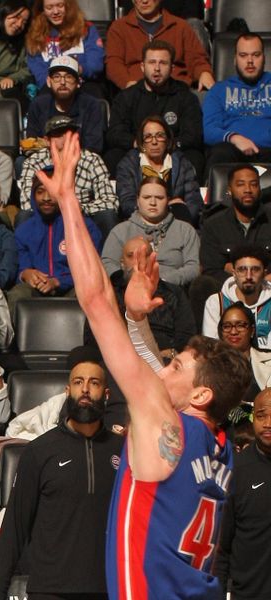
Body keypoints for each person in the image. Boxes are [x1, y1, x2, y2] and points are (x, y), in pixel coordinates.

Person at [38, 129, 251, 598]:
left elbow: (94, 300)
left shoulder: (163, 420)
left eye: (178, 369)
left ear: (200, 395)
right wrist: (136, 318)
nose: (164, 369)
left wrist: (69, 198)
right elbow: (151, 368)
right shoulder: (220, 443)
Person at [0, 357, 123, 599]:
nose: (85, 389)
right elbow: (14, 529)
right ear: (67, 391)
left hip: (109, 588)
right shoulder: (40, 451)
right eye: (78, 382)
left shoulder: (123, 451)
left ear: (105, 394)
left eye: (93, 383)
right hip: (49, 589)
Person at [84, 237, 196, 363]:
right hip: (117, 358)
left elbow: (187, 336)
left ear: (153, 259)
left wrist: (172, 352)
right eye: (131, 256)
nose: (138, 261)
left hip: (164, 357)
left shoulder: (173, 293)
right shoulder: (109, 294)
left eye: (145, 255)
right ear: (122, 263)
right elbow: (92, 337)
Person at [105, 39, 204, 178]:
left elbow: (193, 135)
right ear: (142, 66)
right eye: (152, 62)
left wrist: (167, 145)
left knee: (195, 157)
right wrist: (138, 143)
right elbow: (114, 133)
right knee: (113, 156)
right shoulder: (126, 97)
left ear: (172, 68)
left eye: (163, 63)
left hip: (172, 150)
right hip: (137, 150)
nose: (157, 68)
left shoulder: (185, 97)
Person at [190, 165, 271, 330]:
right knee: (202, 284)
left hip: (268, 287)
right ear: (229, 190)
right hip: (228, 289)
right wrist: (242, 279)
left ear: (260, 189)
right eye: (241, 184)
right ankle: (205, 346)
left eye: (253, 184)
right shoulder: (214, 224)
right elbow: (211, 269)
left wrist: (236, 269)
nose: (248, 189)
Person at [10, 172, 101, 307]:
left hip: (73, 287)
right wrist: (25, 274)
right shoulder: (24, 230)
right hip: (38, 289)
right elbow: (21, 268)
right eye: (40, 192)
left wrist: (58, 281)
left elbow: (91, 271)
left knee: (90, 292)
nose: (46, 198)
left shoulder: (84, 227)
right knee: (18, 294)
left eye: (52, 192)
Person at [215, 388, 271, 600]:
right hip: (247, 594)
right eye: (261, 415)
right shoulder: (236, 471)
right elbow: (221, 548)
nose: (267, 423)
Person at [20, 116, 117, 237]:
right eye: (59, 135)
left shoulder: (91, 160)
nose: (65, 139)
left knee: (107, 215)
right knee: (24, 216)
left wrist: (77, 208)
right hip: (46, 215)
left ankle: (105, 256)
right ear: (47, 140)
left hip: (80, 216)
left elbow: (109, 201)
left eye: (70, 134)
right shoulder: (34, 162)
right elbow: (26, 203)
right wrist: (58, 209)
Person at [102, 176, 200, 287]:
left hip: (174, 291)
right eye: (147, 197)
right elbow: (108, 264)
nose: (153, 202)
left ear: (168, 200)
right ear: (138, 200)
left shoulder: (185, 230)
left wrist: (163, 280)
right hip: (130, 290)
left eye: (159, 198)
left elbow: (194, 267)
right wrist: (131, 280)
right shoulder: (120, 231)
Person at [104, 0, 214, 90]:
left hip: (177, 93)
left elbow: (197, 59)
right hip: (137, 93)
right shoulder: (119, 28)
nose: (144, 1)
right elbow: (114, 63)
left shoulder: (181, 27)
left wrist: (203, 73)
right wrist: (127, 83)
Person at [114, 116, 203, 224]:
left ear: (168, 140)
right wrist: (167, 207)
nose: (154, 142)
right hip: (140, 225)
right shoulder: (128, 165)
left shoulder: (182, 164)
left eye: (160, 136)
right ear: (142, 143)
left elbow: (194, 202)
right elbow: (127, 204)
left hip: (177, 224)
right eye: (148, 137)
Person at [203, 34, 271, 172]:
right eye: (243, 55)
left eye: (256, 55)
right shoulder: (218, 90)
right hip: (233, 152)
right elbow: (209, 130)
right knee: (220, 152)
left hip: (268, 150)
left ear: (264, 58)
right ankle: (211, 192)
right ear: (235, 59)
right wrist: (234, 138)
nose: (250, 61)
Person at [24, 56, 106, 154]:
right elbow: (32, 143)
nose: (62, 82)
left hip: (81, 160)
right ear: (49, 82)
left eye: (68, 77)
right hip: (45, 159)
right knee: (21, 162)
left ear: (78, 82)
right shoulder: (38, 105)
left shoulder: (91, 106)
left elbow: (93, 147)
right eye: (57, 77)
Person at [25, 0, 104, 93]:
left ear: (69, 6)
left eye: (60, 5)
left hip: (84, 83)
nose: (55, 12)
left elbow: (95, 66)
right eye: (49, 8)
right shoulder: (36, 36)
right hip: (52, 87)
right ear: (42, 10)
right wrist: (58, 82)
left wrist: (78, 70)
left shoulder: (86, 29)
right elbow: (39, 73)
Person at [202, 246, 271, 348]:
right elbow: (212, 347)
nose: (248, 276)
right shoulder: (216, 302)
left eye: (255, 269)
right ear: (234, 273)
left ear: (264, 273)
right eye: (242, 269)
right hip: (227, 362)